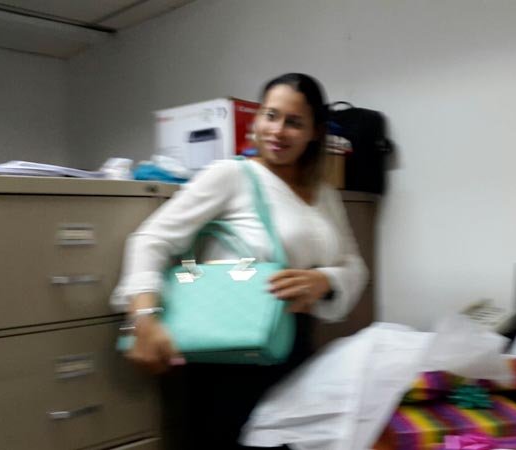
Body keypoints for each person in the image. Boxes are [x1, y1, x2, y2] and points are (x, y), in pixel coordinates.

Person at [110, 73, 368, 449]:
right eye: (270, 115)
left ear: (314, 132)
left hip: (294, 347)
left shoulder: (324, 194)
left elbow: (354, 265)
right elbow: (151, 239)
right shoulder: (232, 175)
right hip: (230, 356)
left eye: (294, 122)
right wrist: (144, 318)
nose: (277, 130)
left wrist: (324, 281)